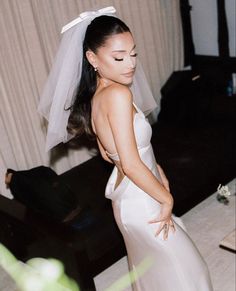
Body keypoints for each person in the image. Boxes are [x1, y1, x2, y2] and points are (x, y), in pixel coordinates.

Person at [38, 7, 213, 291]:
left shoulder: (98, 96)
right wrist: (166, 198)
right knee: (188, 273)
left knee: (159, 273)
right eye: (119, 57)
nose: (130, 64)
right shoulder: (118, 94)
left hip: (130, 198)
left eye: (133, 54)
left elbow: (111, 154)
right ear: (92, 58)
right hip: (143, 199)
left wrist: (158, 171)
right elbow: (130, 162)